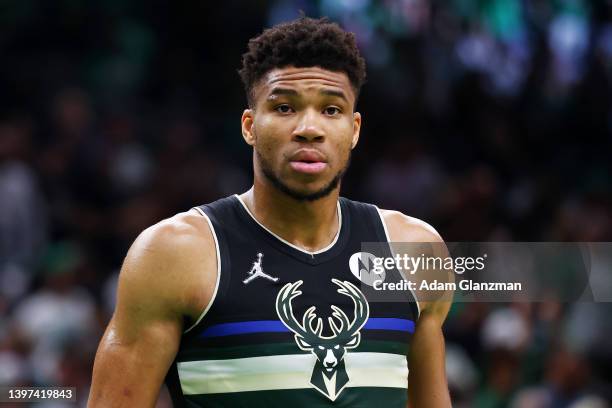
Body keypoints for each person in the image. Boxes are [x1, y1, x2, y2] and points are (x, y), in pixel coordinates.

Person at [88, 16, 452, 407]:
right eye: (284, 108)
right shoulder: (176, 253)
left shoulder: (415, 249)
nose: (309, 128)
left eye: (331, 110)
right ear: (249, 126)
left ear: (355, 129)